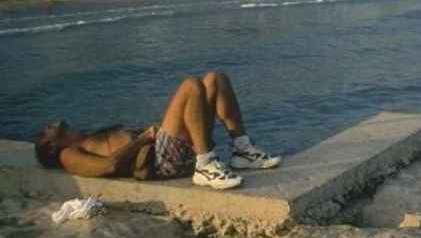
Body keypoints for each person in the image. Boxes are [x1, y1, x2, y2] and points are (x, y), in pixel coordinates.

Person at [33, 71, 279, 190]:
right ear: (51, 146)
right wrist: (142, 139)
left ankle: (242, 150)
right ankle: (205, 165)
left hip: (165, 150)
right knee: (191, 86)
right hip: (159, 163)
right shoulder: (68, 154)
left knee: (215, 79)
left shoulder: (86, 137)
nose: (49, 125)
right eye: (45, 131)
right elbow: (107, 167)